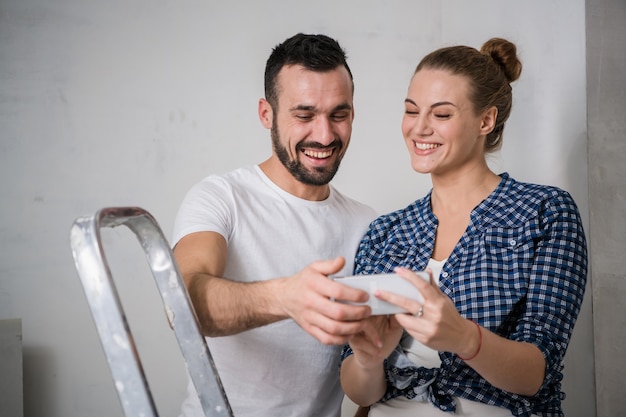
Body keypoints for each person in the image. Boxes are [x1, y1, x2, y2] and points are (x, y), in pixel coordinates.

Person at [340, 38, 588, 417]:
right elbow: (361, 393)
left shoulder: (544, 212)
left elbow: (537, 372)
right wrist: (369, 359)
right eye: (411, 111)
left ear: (485, 120)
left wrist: (461, 336)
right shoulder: (385, 232)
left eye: (441, 115)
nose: (419, 128)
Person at [172, 33, 379, 417]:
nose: (324, 135)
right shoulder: (220, 198)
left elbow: (372, 363)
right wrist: (286, 298)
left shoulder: (369, 225)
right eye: (304, 115)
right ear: (266, 113)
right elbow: (179, 304)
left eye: (339, 114)